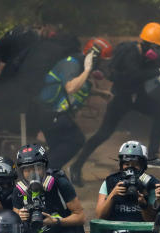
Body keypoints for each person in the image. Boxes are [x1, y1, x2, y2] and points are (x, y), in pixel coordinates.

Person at [69, 23, 160, 181]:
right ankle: (76, 166)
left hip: (138, 96)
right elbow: (133, 76)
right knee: (103, 134)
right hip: (122, 97)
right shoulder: (129, 52)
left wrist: (157, 66)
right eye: (157, 47)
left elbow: (147, 74)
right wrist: (159, 71)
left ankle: (151, 156)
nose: (159, 51)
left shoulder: (150, 57)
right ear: (147, 44)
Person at [35, 38, 111, 172]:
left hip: (54, 113)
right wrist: (87, 70)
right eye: (101, 60)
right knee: (76, 140)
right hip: (50, 113)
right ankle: (44, 172)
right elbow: (70, 87)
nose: (102, 65)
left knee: (58, 147)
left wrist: (100, 93)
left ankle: (44, 173)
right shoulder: (73, 64)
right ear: (93, 56)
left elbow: (76, 85)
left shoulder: (79, 64)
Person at [95, 140, 158, 222]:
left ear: (143, 166)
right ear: (121, 165)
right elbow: (99, 217)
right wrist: (112, 195)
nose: (130, 168)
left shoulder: (150, 183)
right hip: (115, 232)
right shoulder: (111, 182)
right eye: (127, 164)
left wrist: (144, 205)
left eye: (136, 164)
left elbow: (151, 221)